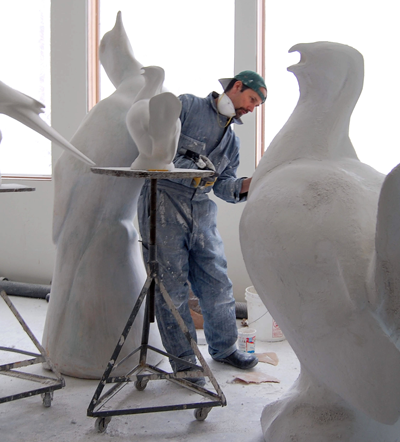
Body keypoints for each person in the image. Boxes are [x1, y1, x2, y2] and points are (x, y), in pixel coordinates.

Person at [138, 70, 267, 385]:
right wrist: (197, 168)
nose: (251, 108)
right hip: (163, 203)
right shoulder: (186, 106)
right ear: (237, 87)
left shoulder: (231, 142)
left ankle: (224, 348)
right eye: (252, 100)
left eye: (257, 106)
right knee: (172, 290)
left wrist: (254, 183)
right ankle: (184, 365)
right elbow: (156, 152)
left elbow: (223, 186)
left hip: (201, 210)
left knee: (217, 284)